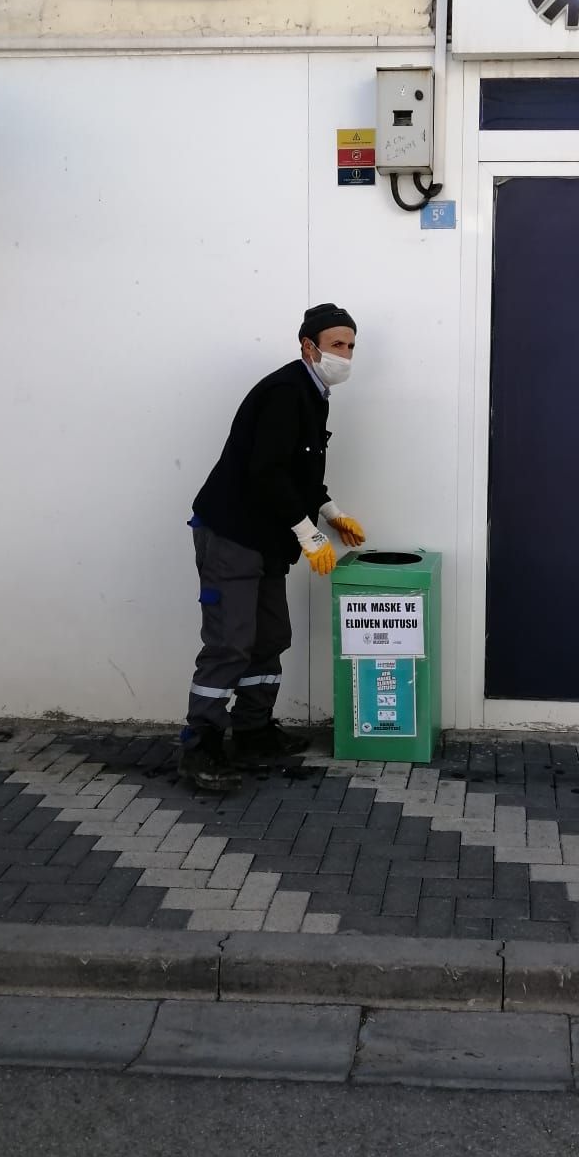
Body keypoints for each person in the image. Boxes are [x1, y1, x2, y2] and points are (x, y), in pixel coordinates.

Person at [179, 304, 366, 791]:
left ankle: (253, 731)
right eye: (336, 345)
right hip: (234, 533)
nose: (344, 354)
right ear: (309, 346)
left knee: (270, 636)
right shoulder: (286, 392)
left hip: (266, 536)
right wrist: (309, 533)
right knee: (230, 642)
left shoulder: (314, 392)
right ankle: (200, 746)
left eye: (350, 346)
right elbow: (266, 472)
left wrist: (330, 512)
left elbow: (300, 469)